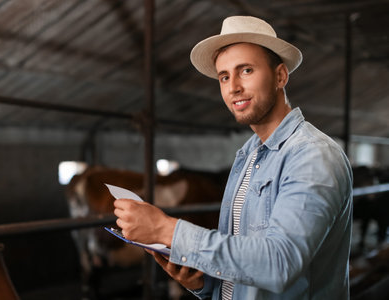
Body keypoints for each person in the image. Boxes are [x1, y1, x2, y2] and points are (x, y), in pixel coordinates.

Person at [114, 16, 353, 300]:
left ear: (280, 76)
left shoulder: (313, 156)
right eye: (224, 76)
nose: (233, 87)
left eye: (246, 70)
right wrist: (203, 284)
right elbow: (245, 270)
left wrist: (167, 230)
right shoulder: (248, 156)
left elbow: (279, 264)